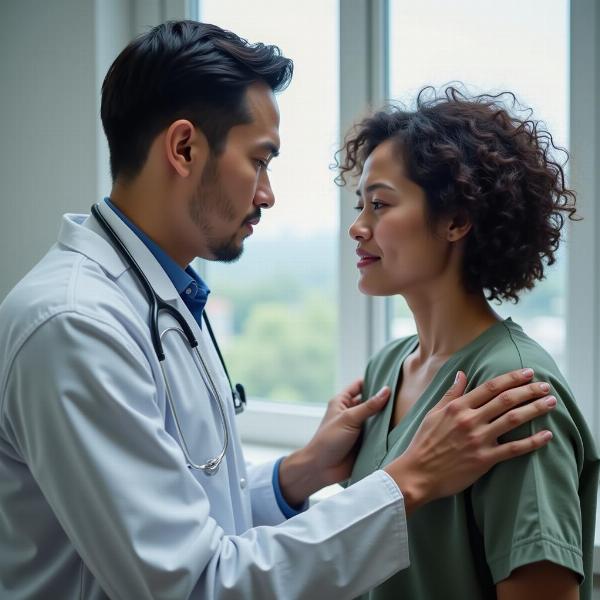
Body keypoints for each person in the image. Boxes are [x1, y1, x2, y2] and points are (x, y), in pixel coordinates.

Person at [0, 23, 557, 600]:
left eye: (381, 203)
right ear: (184, 148)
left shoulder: (163, 298)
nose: (267, 194)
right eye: (260, 161)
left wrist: (302, 473)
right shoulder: (74, 325)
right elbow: (193, 584)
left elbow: (202, 521)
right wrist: (406, 480)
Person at [341, 86, 600, 600]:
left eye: (379, 205)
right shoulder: (386, 371)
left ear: (456, 220)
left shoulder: (516, 393)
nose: (357, 227)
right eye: (359, 205)